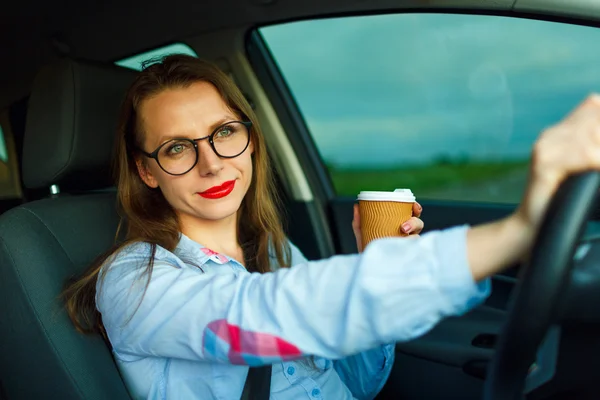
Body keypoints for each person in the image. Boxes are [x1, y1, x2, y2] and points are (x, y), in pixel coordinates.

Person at [63, 54, 600, 400]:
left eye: (224, 131)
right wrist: (516, 232)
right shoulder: (134, 281)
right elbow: (261, 314)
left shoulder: (275, 251)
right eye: (177, 147)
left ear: (249, 136)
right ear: (146, 170)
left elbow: (354, 384)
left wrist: (374, 265)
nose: (212, 163)